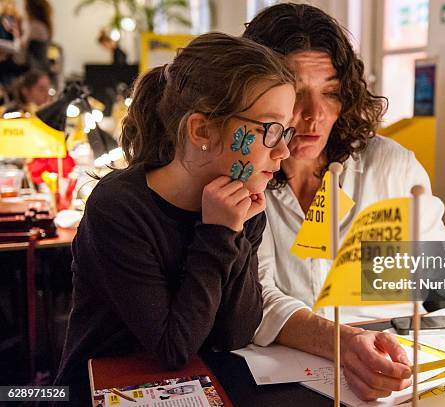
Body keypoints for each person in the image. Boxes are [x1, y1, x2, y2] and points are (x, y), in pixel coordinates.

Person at [244, 3, 445, 401]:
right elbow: (256, 298)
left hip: (402, 362)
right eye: (298, 94)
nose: (315, 116)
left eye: (331, 93)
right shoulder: (246, 175)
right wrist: (346, 342)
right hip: (292, 373)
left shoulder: (389, 165)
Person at [54, 32, 295, 405]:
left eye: (286, 130)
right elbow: (172, 349)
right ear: (202, 130)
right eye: (270, 130)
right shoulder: (119, 207)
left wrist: (235, 231)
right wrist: (218, 234)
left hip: (192, 388)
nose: (284, 150)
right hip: (103, 388)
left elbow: (236, 334)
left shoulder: (239, 202)